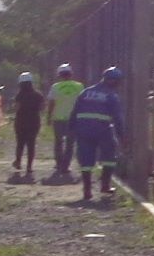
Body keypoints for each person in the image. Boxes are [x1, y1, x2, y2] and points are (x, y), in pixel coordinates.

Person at [69, 65, 126, 202]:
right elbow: (118, 118)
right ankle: (105, 186)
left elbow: (74, 111)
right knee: (109, 157)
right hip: (102, 130)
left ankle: (87, 190)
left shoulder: (86, 92)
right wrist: (122, 136)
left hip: (83, 129)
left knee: (86, 160)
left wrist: (72, 129)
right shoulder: (111, 96)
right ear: (116, 81)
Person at [44, 63, 84, 181]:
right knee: (70, 144)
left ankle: (59, 163)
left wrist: (48, 117)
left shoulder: (55, 87)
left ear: (59, 75)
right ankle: (66, 166)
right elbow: (82, 102)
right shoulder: (79, 86)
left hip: (58, 118)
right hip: (74, 119)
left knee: (58, 142)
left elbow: (51, 103)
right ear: (71, 74)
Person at [11, 72, 44, 177]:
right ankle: (29, 166)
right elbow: (42, 107)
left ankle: (18, 162)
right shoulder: (38, 95)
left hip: (21, 122)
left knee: (20, 143)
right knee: (31, 144)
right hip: (34, 121)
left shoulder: (19, 95)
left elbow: (16, 108)